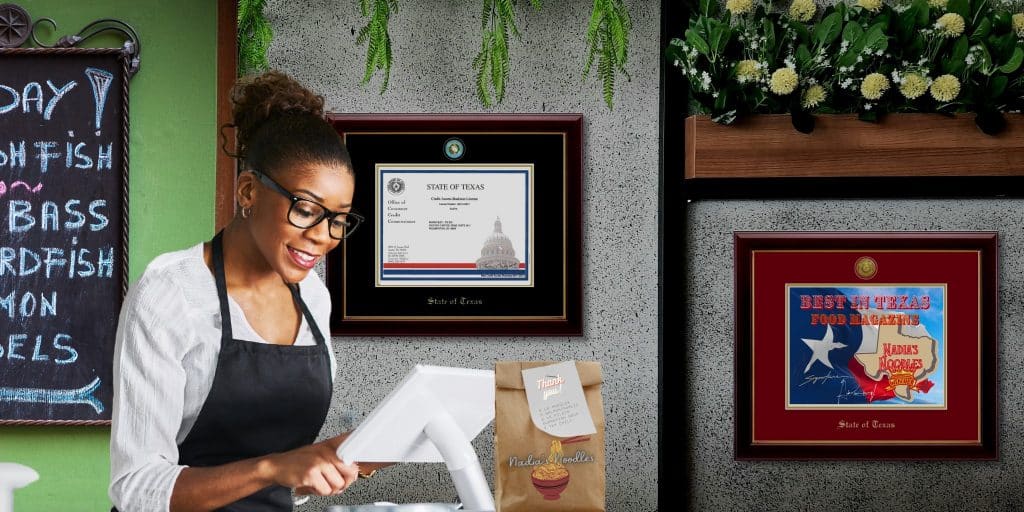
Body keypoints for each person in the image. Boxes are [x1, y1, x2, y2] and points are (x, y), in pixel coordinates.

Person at [109, 70, 373, 511]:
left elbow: (286, 476)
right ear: (249, 191)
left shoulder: (313, 296)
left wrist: (329, 461)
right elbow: (135, 488)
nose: (324, 236)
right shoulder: (170, 293)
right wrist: (273, 467)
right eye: (306, 209)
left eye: (339, 219)